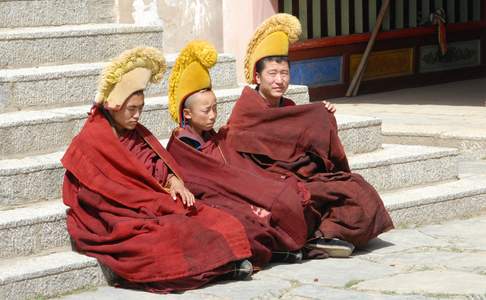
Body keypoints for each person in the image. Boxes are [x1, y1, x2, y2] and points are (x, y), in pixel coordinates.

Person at [61, 47, 254, 294]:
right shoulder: (90, 141)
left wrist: (174, 181)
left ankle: (223, 264)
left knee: (223, 221)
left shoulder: (135, 133)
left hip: (158, 202)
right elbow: (88, 195)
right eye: (131, 109)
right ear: (113, 106)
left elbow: (158, 165)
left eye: (140, 108)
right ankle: (222, 268)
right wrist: (137, 205)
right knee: (165, 240)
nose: (137, 116)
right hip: (121, 216)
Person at [224, 14, 394, 257]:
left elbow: (302, 144)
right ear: (257, 77)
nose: (279, 80)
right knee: (312, 198)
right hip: (268, 182)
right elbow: (237, 154)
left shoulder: (290, 105)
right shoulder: (246, 110)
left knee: (357, 187)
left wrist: (322, 117)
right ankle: (321, 236)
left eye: (284, 73)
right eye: (272, 74)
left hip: (300, 176)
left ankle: (325, 235)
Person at [165, 40, 313, 268]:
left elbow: (234, 169)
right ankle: (266, 253)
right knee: (247, 218)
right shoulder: (181, 146)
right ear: (187, 113)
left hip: (228, 191)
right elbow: (197, 180)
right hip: (209, 198)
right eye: (206, 111)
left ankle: (281, 248)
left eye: (215, 108)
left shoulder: (214, 137)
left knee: (276, 197)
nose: (213, 115)